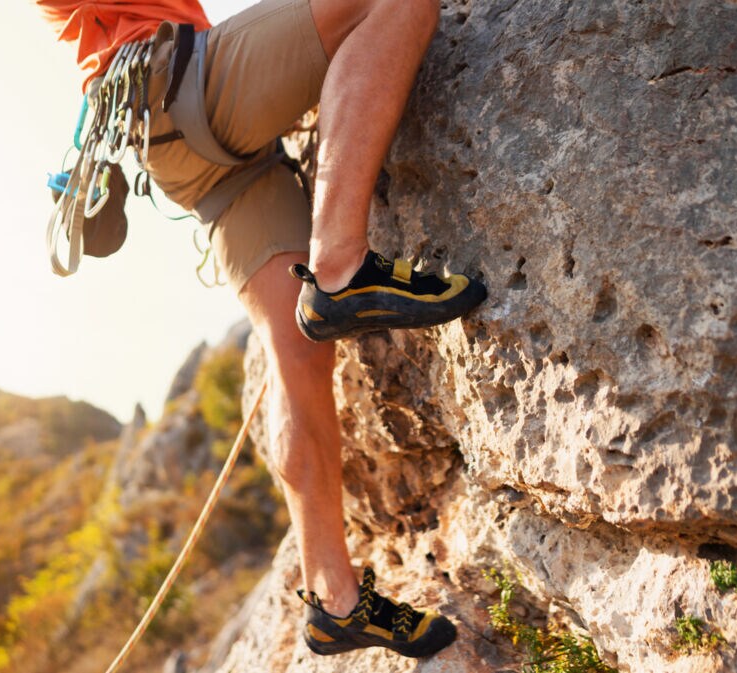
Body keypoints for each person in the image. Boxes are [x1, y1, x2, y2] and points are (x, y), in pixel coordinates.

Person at [37, 0, 487, 658]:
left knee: (297, 358)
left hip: (180, 142)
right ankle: (341, 264)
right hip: (179, 81)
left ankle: (333, 596)